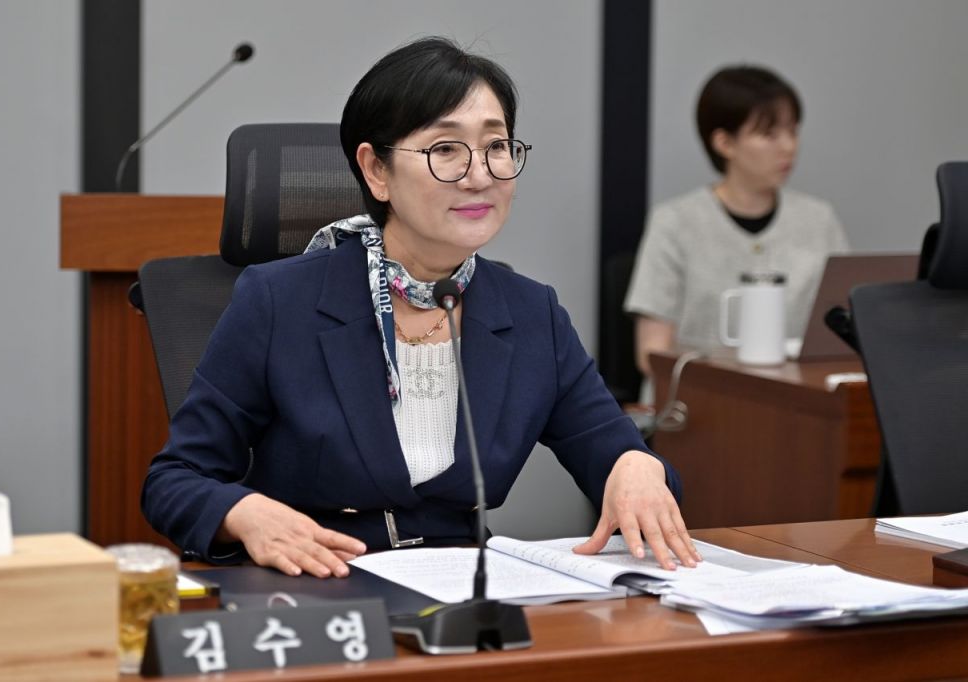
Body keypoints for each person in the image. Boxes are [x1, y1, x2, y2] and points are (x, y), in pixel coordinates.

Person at [142, 37, 698, 579]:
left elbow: (615, 456)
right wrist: (244, 515)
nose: (480, 175)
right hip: (317, 583)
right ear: (376, 171)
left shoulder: (532, 313)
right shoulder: (278, 301)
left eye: (496, 146)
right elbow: (175, 480)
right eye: (445, 149)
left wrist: (635, 466)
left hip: (464, 589)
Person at [625, 65, 849, 377]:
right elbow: (650, 353)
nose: (789, 147)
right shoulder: (675, 222)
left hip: (797, 394)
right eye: (769, 134)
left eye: (793, 131)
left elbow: (844, 331)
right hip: (700, 397)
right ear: (724, 143)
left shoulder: (819, 219)